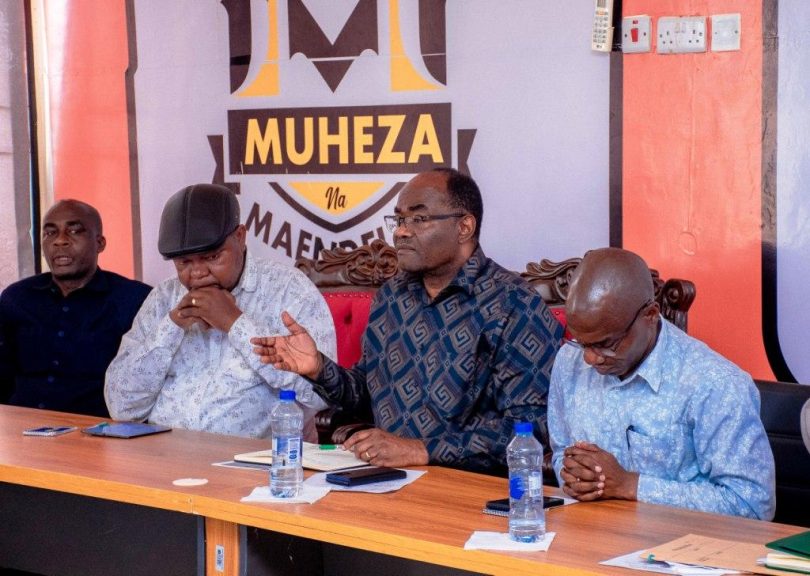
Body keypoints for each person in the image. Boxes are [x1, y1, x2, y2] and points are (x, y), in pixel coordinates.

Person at [251, 168, 562, 473]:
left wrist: (421, 450)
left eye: (419, 219)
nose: (401, 231)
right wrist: (318, 368)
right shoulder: (392, 297)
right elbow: (365, 395)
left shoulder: (514, 304)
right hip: (383, 477)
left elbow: (531, 426)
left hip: (469, 486)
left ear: (464, 227)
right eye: (399, 219)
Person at [548, 247, 775, 520]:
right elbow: (561, 452)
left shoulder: (715, 384)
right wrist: (574, 475)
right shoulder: (569, 360)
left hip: (679, 542)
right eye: (581, 342)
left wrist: (631, 485)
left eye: (606, 343)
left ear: (651, 315)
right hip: (588, 532)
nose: (589, 358)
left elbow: (752, 505)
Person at [104, 184, 336, 440]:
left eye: (212, 257)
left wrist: (235, 323)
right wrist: (171, 327)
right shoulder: (164, 298)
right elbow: (121, 408)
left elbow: (321, 394)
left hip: (256, 458)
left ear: (240, 237)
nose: (197, 273)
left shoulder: (289, 289)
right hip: (162, 455)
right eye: (184, 262)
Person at [0, 199, 151, 417]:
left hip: (96, 430)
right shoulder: (17, 298)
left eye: (74, 231)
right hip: (20, 426)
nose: (60, 240)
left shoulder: (134, 300)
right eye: (50, 233)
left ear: (100, 243)